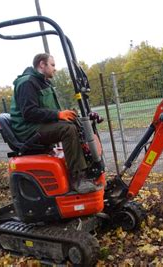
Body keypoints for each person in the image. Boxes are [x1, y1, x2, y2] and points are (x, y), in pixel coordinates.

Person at [10, 53, 101, 194]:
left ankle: (89, 169)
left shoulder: (43, 82)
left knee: (74, 123)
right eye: (52, 65)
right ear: (42, 64)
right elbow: (29, 112)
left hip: (37, 125)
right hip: (28, 130)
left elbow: (46, 109)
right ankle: (78, 178)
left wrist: (65, 114)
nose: (55, 69)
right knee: (68, 130)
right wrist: (58, 115)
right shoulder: (27, 83)